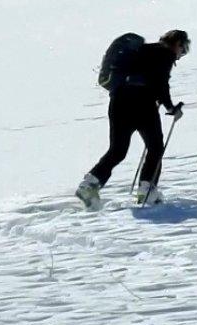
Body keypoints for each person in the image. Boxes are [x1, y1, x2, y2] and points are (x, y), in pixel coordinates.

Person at [75, 29, 190, 209]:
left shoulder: (142, 51)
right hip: (142, 103)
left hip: (118, 101)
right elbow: (160, 83)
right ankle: (147, 190)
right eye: (182, 51)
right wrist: (170, 107)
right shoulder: (164, 53)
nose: (179, 56)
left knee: (118, 150)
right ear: (177, 44)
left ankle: (89, 184)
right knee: (155, 147)